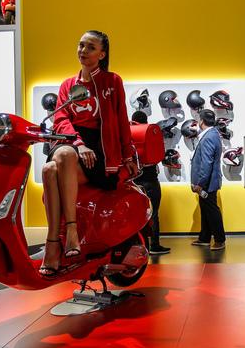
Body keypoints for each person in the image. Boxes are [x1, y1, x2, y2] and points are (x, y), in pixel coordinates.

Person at [40, 30, 138, 276]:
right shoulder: (67, 85)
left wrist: (128, 155)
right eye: (81, 45)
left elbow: (122, 119)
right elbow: (60, 118)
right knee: (54, 163)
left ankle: (56, 242)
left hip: (102, 151)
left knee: (51, 168)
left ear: (102, 54)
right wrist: (79, 143)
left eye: (91, 47)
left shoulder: (112, 81)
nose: (83, 51)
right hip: (74, 144)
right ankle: (64, 235)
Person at [131, 110, 170, 255]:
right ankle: (154, 245)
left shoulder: (129, 134)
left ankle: (139, 245)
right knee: (153, 213)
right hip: (151, 180)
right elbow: (159, 155)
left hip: (135, 181)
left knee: (136, 214)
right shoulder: (150, 133)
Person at [190, 109, 225, 250]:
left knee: (211, 210)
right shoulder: (212, 134)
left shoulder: (208, 137)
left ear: (201, 121)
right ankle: (204, 238)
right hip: (208, 182)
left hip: (207, 183)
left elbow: (207, 163)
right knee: (205, 209)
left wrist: (200, 183)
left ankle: (220, 240)